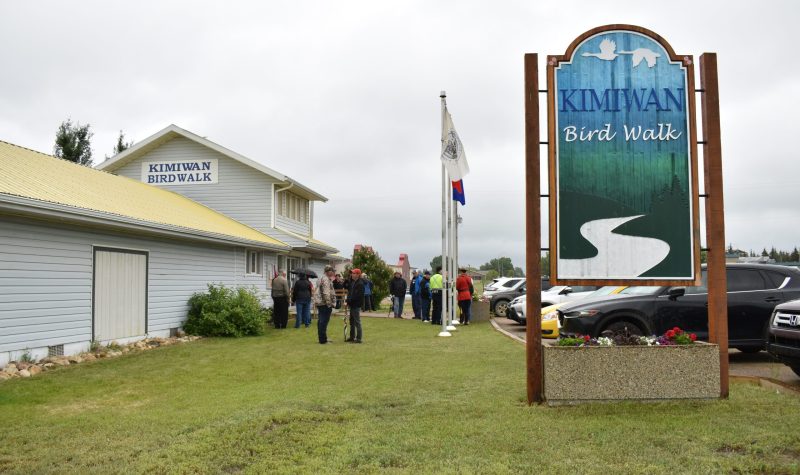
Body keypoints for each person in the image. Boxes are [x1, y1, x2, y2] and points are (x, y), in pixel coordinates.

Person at [314, 265, 337, 343]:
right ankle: (323, 340)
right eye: (333, 271)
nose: (334, 273)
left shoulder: (321, 278)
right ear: (329, 272)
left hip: (320, 302)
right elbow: (326, 293)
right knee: (323, 321)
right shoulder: (326, 280)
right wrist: (329, 304)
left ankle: (322, 338)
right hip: (324, 303)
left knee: (321, 320)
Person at [346, 269, 365, 343]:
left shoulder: (360, 283)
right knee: (352, 322)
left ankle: (359, 338)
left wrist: (348, 301)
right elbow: (350, 293)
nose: (352, 274)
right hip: (352, 304)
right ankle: (352, 337)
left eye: (353, 273)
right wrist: (348, 300)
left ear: (358, 274)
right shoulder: (353, 282)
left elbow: (357, 296)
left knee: (357, 322)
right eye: (352, 273)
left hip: (356, 305)